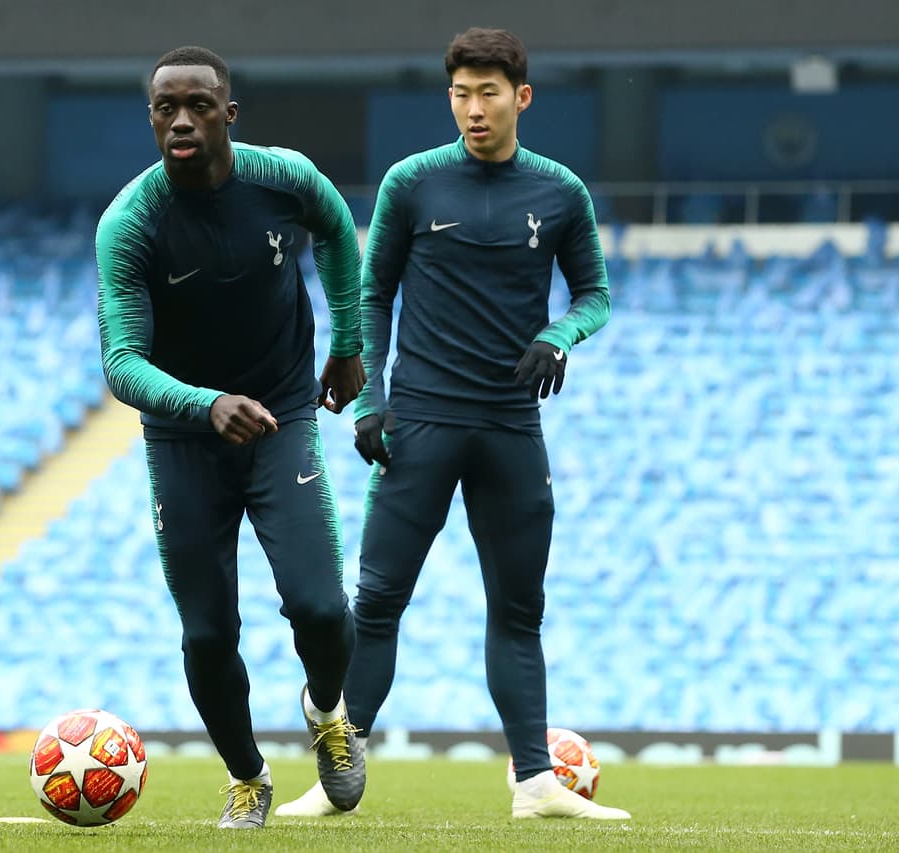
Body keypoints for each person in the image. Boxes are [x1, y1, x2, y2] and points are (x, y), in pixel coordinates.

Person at [276, 27, 630, 821]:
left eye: (489, 93)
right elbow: (371, 293)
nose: (474, 109)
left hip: (510, 426)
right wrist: (369, 403)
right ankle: (337, 779)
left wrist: (557, 335)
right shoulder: (412, 183)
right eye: (461, 94)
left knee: (518, 611)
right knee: (375, 602)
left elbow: (596, 296)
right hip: (422, 421)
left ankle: (536, 783)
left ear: (521, 97)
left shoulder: (561, 193)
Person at [95, 45, 368, 829]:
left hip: (282, 416)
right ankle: (248, 776)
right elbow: (121, 363)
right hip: (184, 438)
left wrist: (347, 343)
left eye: (198, 105)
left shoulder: (283, 178)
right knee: (209, 630)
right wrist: (207, 403)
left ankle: (326, 711)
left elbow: (340, 235)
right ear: (151, 119)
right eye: (165, 108)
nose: (181, 120)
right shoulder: (131, 223)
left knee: (320, 605)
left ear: (228, 114)